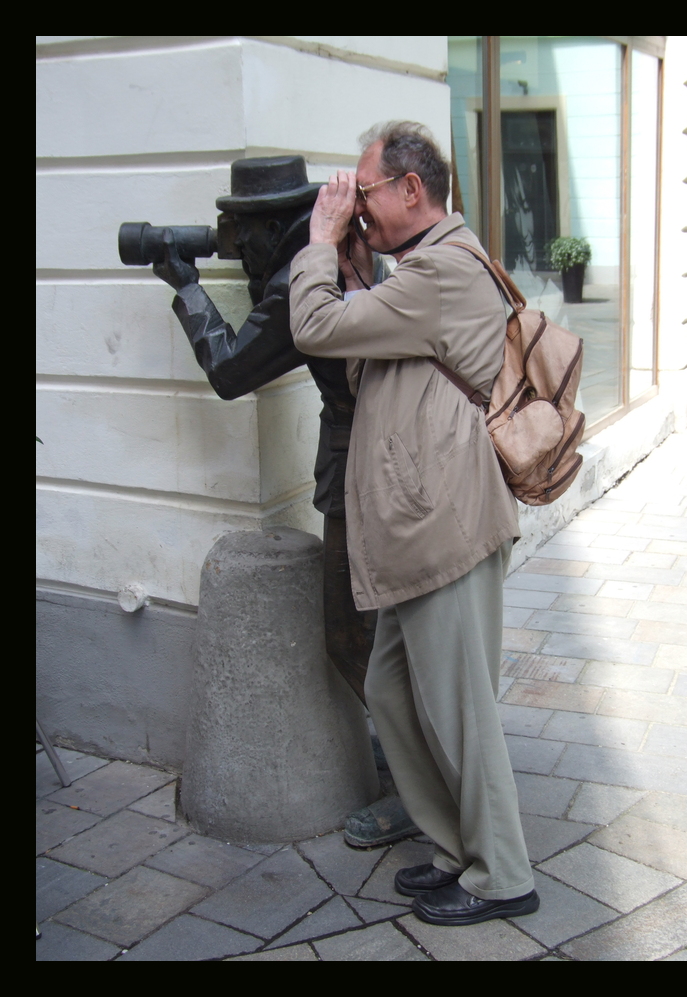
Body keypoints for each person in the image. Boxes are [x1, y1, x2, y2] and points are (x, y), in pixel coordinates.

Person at [289, 121, 538, 925]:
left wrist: (322, 246)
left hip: (448, 524)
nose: (355, 208)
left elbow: (315, 328)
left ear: (410, 190)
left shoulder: (441, 270)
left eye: (363, 193)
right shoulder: (417, 274)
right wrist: (358, 272)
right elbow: (367, 366)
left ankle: (502, 873)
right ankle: (456, 848)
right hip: (417, 526)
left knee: (459, 708)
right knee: (397, 696)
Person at [150, 155, 419, 847]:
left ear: (271, 230)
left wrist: (185, 283)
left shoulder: (305, 269)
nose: (235, 250)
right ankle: (414, 755)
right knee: (388, 628)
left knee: (355, 633)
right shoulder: (330, 251)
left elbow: (233, 370)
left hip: (364, 467)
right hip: (386, 457)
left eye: (239, 234)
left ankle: (420, 789)